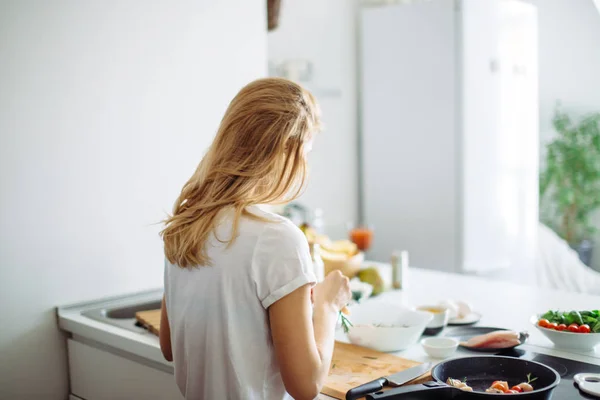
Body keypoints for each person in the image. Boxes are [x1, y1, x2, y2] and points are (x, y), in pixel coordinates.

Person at [158, 77, 352, 400]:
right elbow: (305, 386)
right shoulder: (277, 239)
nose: (305, 164)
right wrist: (329, 307)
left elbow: (169, 347)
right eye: (305, 152)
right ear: (285, 152)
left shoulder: (187, 223)